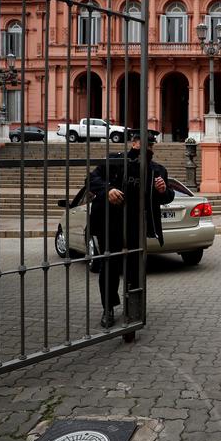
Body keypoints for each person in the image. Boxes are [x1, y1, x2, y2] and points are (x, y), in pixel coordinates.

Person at [87, 129, 174, 328]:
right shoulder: (115, 161)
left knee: (135, 269)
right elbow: (91, 180)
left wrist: (163, 191)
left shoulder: (157, 170)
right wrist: (108, 190)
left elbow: (166, 197)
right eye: (145, 144)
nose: (148, 148)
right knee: (109, 266)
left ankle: (133, 308)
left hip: (136, 226)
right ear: (134, 143)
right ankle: (108, 308)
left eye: (151, 146)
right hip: (111, 224)